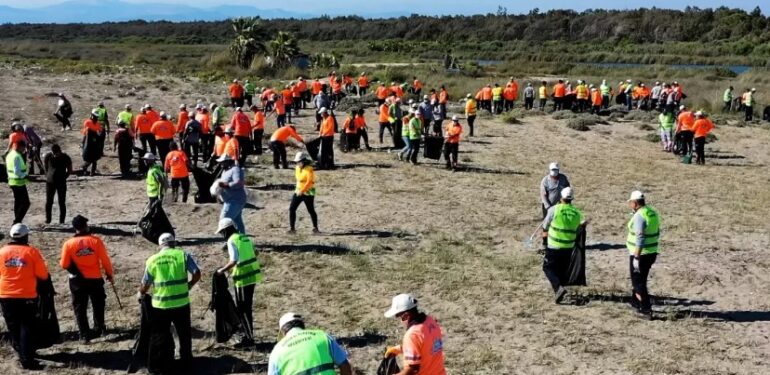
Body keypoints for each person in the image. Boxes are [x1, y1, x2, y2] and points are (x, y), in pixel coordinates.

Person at [139, 233, 201, 374]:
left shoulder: (152, 260)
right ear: (173, 243)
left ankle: (164, 363)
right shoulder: (182, 255)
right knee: (184, 334)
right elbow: (197, 272)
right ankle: (186, 362)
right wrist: (190, 284)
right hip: (182, 303)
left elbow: (145, 284)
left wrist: (141, 293)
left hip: (161, 306)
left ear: (160, 245)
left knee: (161, 335)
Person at [0, 223, 51, 370]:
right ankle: (27, 359)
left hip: (6, 295)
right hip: (27, 295)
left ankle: (20, 350)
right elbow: (42, 274)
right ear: (26, 236)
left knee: (13, 325)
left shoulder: (2, 252)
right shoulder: (31, 252)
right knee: (27, 326)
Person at [59, 215, 114, 342]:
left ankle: (84, 334)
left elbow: (63, 264)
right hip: (95, 279)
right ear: (85, 226)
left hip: (77, 281)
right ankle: (99, 328)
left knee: (80, 307)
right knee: (98, 304)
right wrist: (109, 274)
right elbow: (105, 260)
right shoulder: (96, 241)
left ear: (75, 228)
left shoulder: (68, 244)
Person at [215, 218, 263, 346]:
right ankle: (249, 335)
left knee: (243, 309)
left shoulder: (231, 240)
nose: (222, 235)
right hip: (253, 276)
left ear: (226, 230)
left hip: (243, 278)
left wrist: (221, 271)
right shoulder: (244, 237)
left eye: (222, 232)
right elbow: (255, 252)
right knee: (247, 307)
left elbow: (233, 261)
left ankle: (248, 338)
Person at [267, 312, 353, 375]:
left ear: (283, 332)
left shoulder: (276, 352)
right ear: (303, 326)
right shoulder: (322, 336)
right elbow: (344, 365)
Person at [383, 293, 446, 375]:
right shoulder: (430, 321)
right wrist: (401, 348)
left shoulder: (412, 335)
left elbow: (413, 369)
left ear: (406, 315)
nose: (399, 320)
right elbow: (427, 345)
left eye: (398, 316)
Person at [542, 187, 584, 303]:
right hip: (569, 247)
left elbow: (545, 226)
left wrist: (544, 243)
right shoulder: (577, 212)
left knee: (547, 268)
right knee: (560, 270)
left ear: (561, 197)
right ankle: (559, 292)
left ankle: (559, 289)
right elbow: (579, 228)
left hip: (554, 245)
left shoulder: (554, 209)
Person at [626, 191, 660, 317]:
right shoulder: (651, 212)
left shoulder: (640, 216)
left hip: (641, 254)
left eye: (630, 202)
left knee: (638, 283)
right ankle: (635, 301)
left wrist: (636, 256)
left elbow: (640, 237)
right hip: (651, 252)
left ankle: (646, 309)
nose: (629, 204)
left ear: (635, 203)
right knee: (641, 278)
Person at [289, 152, 318, 233]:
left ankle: (315, 228)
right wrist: (299, 190)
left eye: (299, 162)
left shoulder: (309, 169)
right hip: (298, 191)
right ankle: (292, 229)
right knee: (292, 209)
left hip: (308, 193)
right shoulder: (297, 168)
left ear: (304, 161)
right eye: (296, 162)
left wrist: (302, 191)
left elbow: (309, 182)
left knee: (311, 210)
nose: (297, 163)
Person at [43, 144, 72, 224]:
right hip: (50, 182)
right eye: (53, 153)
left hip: (61, 182)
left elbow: (70, 169)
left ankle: (62, 221)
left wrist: (64, 177)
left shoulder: (66, 157)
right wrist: (48, 175)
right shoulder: (48, 156)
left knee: (61, 202)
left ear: (60, 151)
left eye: (56, 153)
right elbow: (46, 167)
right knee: (49, 201)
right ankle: (48, 219)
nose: (55, 155)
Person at [217, 154, 247, 234]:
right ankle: (241, 239)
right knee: (237, 221)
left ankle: (230, 240)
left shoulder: (235, 169)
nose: (221, 164)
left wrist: (226, 185)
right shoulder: (224, 172)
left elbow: (238, 183)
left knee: (225, 220)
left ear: (227, 162)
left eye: (222, 162)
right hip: (230, 200)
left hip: (235, 200)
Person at [6, 140, 30, 224]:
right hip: (18, 182)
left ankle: (17, 220)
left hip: (12, 181)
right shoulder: (16, 156)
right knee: (26, 203)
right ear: (19, 146)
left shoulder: (9, 155)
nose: (24, 150)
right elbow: (17, 171)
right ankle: (17, 221)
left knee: (18, 202)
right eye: (23, 148)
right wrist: (25, 175)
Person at [81, 111, 104, 176]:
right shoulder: (87, 122)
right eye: (94, 116)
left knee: (94, 158)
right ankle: (84, 168)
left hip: (94, 142)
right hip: (88, 141)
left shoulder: (97, 124)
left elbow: (99, 132)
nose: (95, 118)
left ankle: (92, 172)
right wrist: (83, 143)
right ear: (91, 115)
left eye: (96, 117)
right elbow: (85, 133)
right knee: (88, 158)